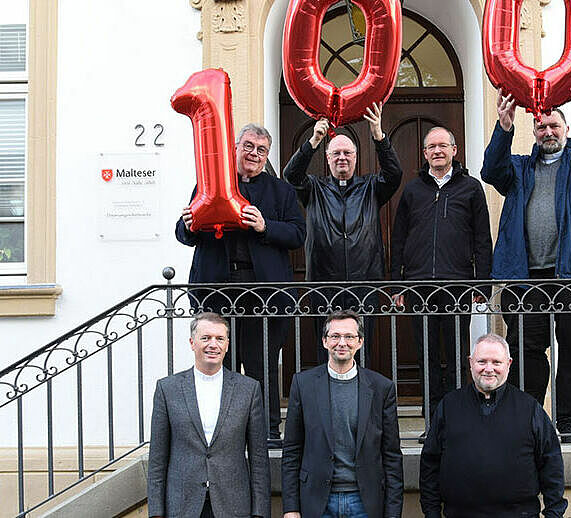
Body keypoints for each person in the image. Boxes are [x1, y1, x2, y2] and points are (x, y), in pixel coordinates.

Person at [479, 73, 571, 441]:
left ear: (565, 127)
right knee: (525, 349)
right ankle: (528, 419)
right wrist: (504, 127)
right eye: (540, 126)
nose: (546, 131)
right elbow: (490, 170)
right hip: (527, 277)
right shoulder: (519, 168)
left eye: (553, 125)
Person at [175, 123, 305, 440]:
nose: (254, 155)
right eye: (248, 146)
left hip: (265, 292)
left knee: (262, 363)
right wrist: (189, 224)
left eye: (261, 150)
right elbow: (183, 234)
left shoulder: (281, 191)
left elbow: (298, 235)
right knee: (222, 362)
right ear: (235, 149)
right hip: (218, 288)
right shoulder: (211, 185)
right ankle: (225, 432)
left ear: (267, 156)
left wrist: (265, 225)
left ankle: (269, 430)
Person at [390, 126, 492, 420]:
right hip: (418, 285)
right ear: (425, 154)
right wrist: (397, 285)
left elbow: (482, 239)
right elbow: (398, 239)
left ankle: (458, 415)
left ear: (453, 150)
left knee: (458, 353)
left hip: (457, 285)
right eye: (432, 147)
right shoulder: (412, 190)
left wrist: (481, 285)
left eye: (443, 146)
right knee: (426, 355)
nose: (437, 151)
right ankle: (433, 416)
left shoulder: (471, 188)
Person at [283, 104, 403, 350]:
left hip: (365, 283)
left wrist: (378, 135)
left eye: (347, 153)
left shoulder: (371, 186)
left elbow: (394, 174)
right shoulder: (314, 188)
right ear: (327, 158)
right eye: (336, 153)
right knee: (327, 346)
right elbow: (291, 174)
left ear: (356, 157)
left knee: (361, 347)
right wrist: (314, 140)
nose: (342, 158)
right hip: (323, 283)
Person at [418, 334, 566, 518]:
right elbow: (430, 464)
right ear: (471, 362)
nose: (489, 369)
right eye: (482, 362)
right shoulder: (449, 406)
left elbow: (552, 464)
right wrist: (431, 513)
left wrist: (554, 513)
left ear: (509, 364)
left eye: (496, 362)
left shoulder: (530, 408)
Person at [282, 311, 404, 518]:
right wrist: (291, 508)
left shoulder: (381, 388)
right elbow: (292, 450)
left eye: (349, 337)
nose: (342, 342)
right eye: (335, 336)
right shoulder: (303, 385)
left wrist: (393, 512)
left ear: (360, 342)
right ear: (324, 341)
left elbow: (392, 455)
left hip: (365, 502)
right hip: (317, 500)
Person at [148, 312, 270, 518]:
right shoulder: (167, 389)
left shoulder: (248, 389)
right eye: (205, 338)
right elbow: (157, 459)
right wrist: (156, 512)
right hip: (181, 506)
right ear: (192, 343)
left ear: (227, 344)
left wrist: (260, 512)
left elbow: (259, 459)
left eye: (219, 339)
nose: (213, 344)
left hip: (233, 506)